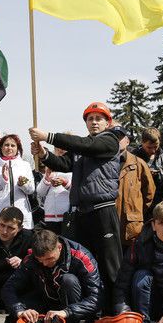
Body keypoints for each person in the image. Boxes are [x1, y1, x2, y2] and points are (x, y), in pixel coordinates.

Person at [29, 102, 122, 312]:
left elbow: (85, 145)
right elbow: (64, 164)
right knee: (84, 265)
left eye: (99, 118)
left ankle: (115, 314)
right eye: (90, 119)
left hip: (103, 210)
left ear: (108, 122)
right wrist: (44, 154)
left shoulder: (109, 141)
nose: (94, 122)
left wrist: (48, 136)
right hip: (82, 213)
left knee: (110, 267)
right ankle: (88, 314)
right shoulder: (83, 148)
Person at [2, 228, 101, 323]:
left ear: (59, 247)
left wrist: (66, 312)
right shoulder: (31, 259)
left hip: (75, 303)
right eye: (40, 260)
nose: (45, 263)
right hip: (47, 300)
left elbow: (96, 299)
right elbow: (8, 288)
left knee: (69, 280)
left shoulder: (81, 256)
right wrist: (20, 311)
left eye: (49, 258)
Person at [0, 134, 35, 233]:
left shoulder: (25, 165)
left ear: (18, 148)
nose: (9, 148)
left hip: (22, 213)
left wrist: (23, 184)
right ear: (1, 147)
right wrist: (2, 179)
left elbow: (31, 189)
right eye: (6, 145)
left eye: (13, 145)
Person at [115, 128, 156, 247]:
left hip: (131, 227)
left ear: (127, 141)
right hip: (109, 226)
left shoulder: (139, 164)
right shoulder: (102, 164)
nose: (116, 141)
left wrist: (136, 211)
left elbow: (149, 193)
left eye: (120, 138)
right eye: (113, 138)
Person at [132, 127, 163, 209]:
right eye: (149, 147)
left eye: (156, 146)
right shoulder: (132, 157)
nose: (153, 151)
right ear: (142, 142)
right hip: (139, 205)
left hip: (161, 206)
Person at [36, 146, 72, 235]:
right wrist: (47, 179)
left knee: (66, 244)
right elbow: (40, 192)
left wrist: (65, 183)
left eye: (64, 146)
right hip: (50, 216)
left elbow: (77, 191)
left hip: (67, 216)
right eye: (58, 147)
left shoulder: (73, 169)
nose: (61, 149)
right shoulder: (51, 167)